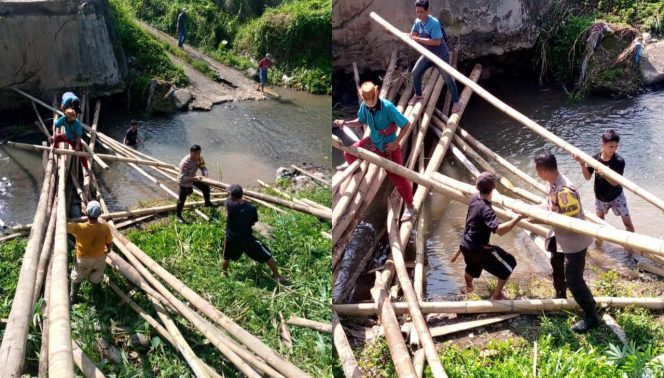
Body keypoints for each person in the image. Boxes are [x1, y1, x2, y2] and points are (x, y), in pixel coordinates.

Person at [534, 152, 600, 333]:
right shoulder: (553, 183)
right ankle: (560, 294)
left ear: (545, 171)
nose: (537, 173)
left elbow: (569, 221)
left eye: (538, 170)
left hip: (574, 241)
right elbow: (549, 204)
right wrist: (532, 210)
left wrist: (542, 217)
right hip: (559, 236)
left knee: (574, 279)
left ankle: (591, 315)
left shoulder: (565, 191)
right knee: (556, 262)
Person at [333, 81, 417, 221]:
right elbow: (360, 121)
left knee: (399, 178)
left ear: (376, 93)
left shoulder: (388, 108)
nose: (369, 104)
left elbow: (406, 124)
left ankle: (410, 207)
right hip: (373, 142)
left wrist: (395, 143)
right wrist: (345, 123)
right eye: (367, 102)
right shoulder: (364, 106)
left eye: (371, 101)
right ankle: (357, 170)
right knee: (348, 153)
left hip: (388, 147)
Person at [459, 172, 524, 299]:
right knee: (509, 264)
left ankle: (469, 289)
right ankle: (496, 295)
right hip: (479, 249)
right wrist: (518, 218)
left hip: (465, 244)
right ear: (494, 188)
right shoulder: (487, 210)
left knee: (472, 266)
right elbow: (499, 231)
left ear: (477, 187)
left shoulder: (474, 198)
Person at [574, 129, 634, 249]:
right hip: (600, 197)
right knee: (600, 224)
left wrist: (604, 174)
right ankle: (599, 249)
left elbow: (615, 183)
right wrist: (582, 164)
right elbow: (587, 177)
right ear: (603, 145)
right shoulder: (595, 159)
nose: (613, 149)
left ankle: (631, 249)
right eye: (610, 146)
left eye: (615, 147)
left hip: (617, 196)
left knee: (628, 223)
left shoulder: (619, 161)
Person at [409, 0, 462, 113]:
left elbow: (437, 42)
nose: (419, 14)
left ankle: (457, 102)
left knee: (447, 79)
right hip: (428, 54)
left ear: (427, 11)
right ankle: (418, 95)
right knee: (415, 72)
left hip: (440, 56)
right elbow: (413, 35)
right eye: (417, 12)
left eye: (421, 12)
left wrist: (418, 39)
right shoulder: (418, 21)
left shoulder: (434, 23)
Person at [221, 184, 281, 280]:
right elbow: (253, 223)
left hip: (231, 238)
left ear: (231, 196)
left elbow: (229, 199)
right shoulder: (251, 208)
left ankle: (224, 273)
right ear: (241, 194)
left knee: (226, 257)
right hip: (247, 239)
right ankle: (277, 276)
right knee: (268, 256)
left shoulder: (229, 205)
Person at [67, 201, 112, 304]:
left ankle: (73, 298)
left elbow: (65, 226)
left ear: (86, 213)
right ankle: (95, 294)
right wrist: (108, 250)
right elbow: (109, 243)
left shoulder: (79, 227)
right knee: (97, 276)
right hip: (99, 258)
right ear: (99, 214)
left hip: (83, 259)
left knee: (77, 276)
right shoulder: (105, 227)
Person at [176, 144, 214, 223]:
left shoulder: (200, 158)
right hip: (184, 180)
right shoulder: (185, 163)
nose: (198, 155)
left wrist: (205, 174)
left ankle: (207, 203)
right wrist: (194, 178)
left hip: (193, 177)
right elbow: (182, 178)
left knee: (205, 187)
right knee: (182, 198)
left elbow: (203, 167)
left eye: (199, 153)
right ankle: (178, 216)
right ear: (191, 153)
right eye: (196, 154)